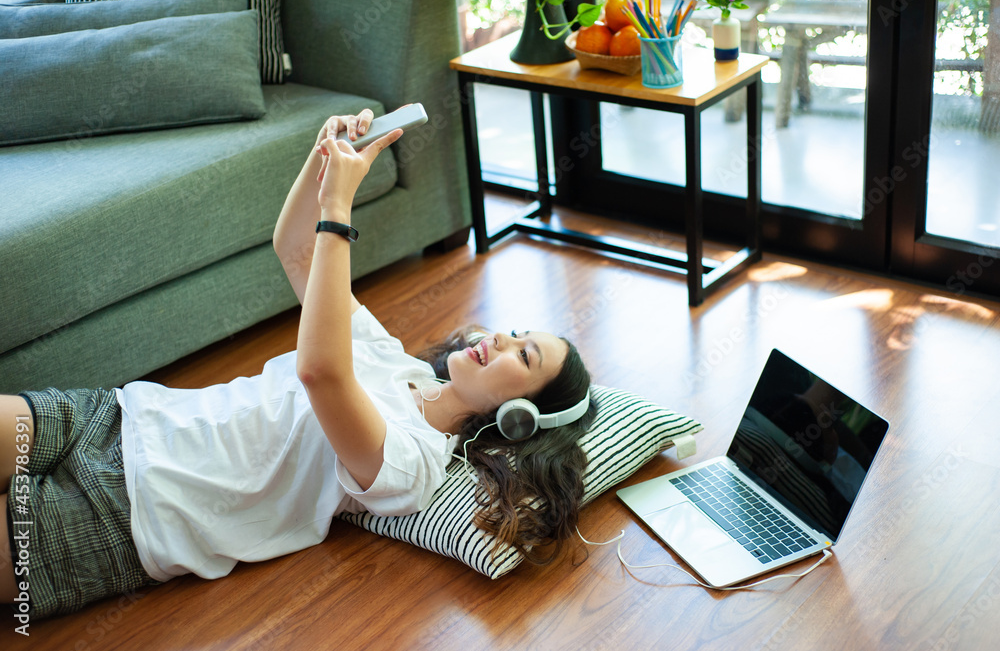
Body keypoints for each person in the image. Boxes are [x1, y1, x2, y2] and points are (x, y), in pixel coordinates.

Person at [0, 109, 595, 620]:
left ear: (520, 416)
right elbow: (297, 251)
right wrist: (322, 159)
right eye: (516, 332)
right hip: (118, 417)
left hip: (128, 520)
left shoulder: (412, 466)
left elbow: (321, 373)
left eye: (526, 354)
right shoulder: (395, 361)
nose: (502, 339)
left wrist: (339, 203)